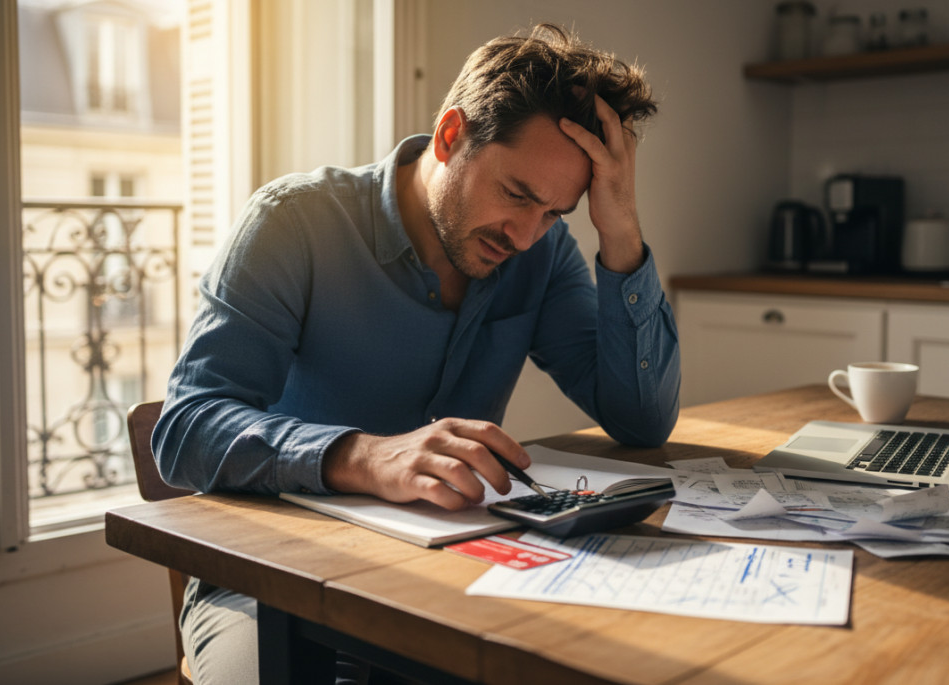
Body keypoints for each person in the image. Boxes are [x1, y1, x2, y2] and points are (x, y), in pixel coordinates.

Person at [152, 23, 680, 683]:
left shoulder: (540, 253)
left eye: (554, 212)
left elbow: (641, 420)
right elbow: (185, 429)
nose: (524, 234)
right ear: (451, 134)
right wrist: (366, 456)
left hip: (457, 574)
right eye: (516, 194)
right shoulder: (294, 223)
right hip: (274, 581)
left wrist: (620, 226)